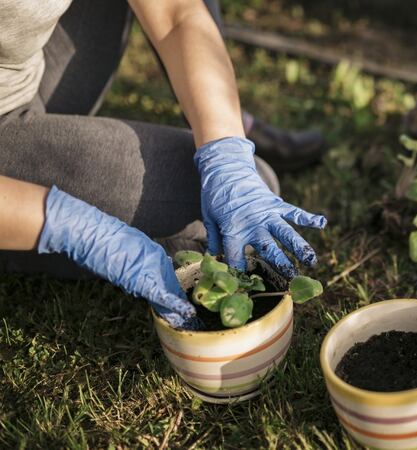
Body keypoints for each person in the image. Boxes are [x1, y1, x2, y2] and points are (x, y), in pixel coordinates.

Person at [0, 0, 328, 329]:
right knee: (212, 211)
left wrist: (225, 147)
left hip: (27, 64)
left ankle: (235, 123)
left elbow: (175, 13)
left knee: (247, 181)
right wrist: (71, 227)